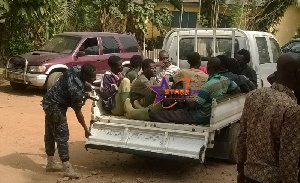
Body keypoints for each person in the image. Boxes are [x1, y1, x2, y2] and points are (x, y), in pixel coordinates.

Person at [237, 53, 300, 183]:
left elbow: (242, 136)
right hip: (272, 178)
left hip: (249, 175)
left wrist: (240, 169)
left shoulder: (253, 95)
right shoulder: (292, 109)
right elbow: (288, 157)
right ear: (298, 74)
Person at [41, 63, 96, 178]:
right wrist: (86, 129)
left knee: (51, 133)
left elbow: (75, 80)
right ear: (85, 75)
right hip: (56, 106)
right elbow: (78, 112)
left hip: (49, 100)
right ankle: (67, 167)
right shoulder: (75, 89)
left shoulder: (76, 69)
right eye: (92, 77)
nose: (94, 79)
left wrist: (87, 88)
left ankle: (50, 163)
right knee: (62, 134)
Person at [148, 57, 240, 125]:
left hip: (199, 115)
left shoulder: (208, 86)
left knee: (166, 114)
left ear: (208, 67)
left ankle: (149, 115)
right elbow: (237, 90)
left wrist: (186, 95)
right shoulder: (226, 80)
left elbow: (193, 105)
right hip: (212, 111)